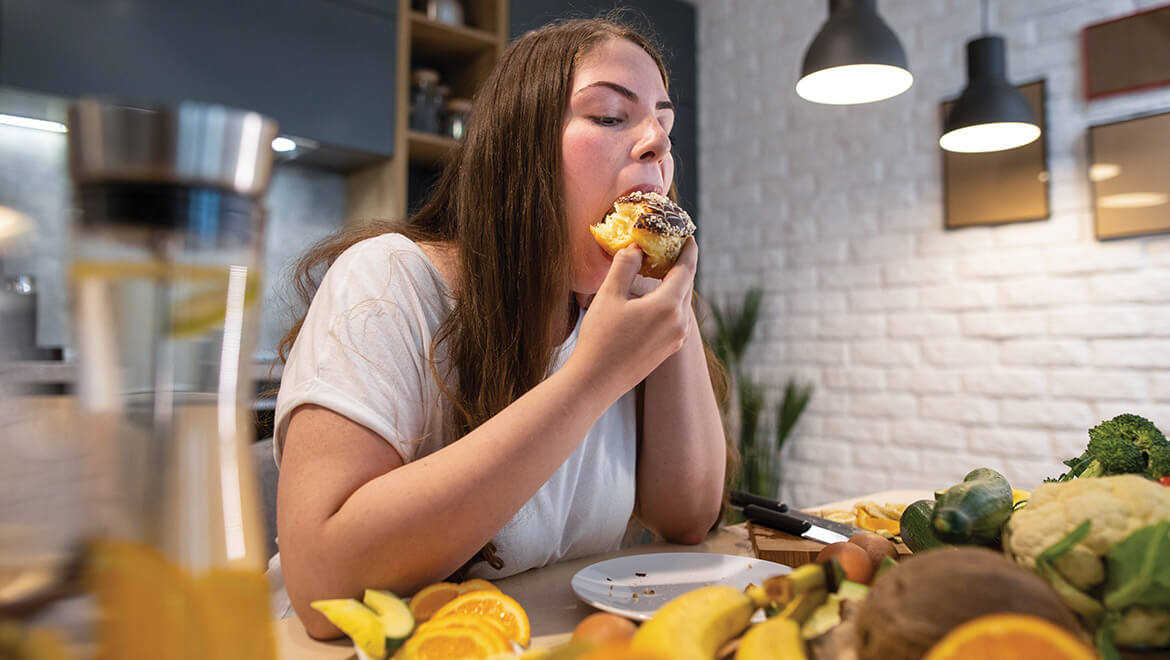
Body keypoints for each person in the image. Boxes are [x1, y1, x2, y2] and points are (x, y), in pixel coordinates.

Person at [270, 15, 731, 639]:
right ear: (519, 150)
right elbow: (323, 586)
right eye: (609, 116)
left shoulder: (622, 314)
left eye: (664, 127)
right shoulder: (386, 281)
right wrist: (592, 378)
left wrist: (669, 288)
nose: (657, 144)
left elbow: (688, 516)